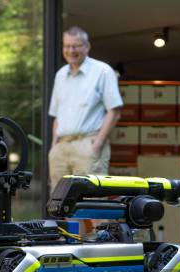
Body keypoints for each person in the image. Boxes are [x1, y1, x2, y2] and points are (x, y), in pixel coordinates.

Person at [48, 26, 123, 191]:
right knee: (59, 203)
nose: (71, 50)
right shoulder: (60, 75)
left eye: (76, 45)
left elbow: (115, 110)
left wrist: (97, 145)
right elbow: (57, 115)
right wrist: (54, 147)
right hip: (61, 147)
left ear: (87, 46)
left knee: (91, 205)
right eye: (67, 46)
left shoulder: (102, 71)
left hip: (87, 145)